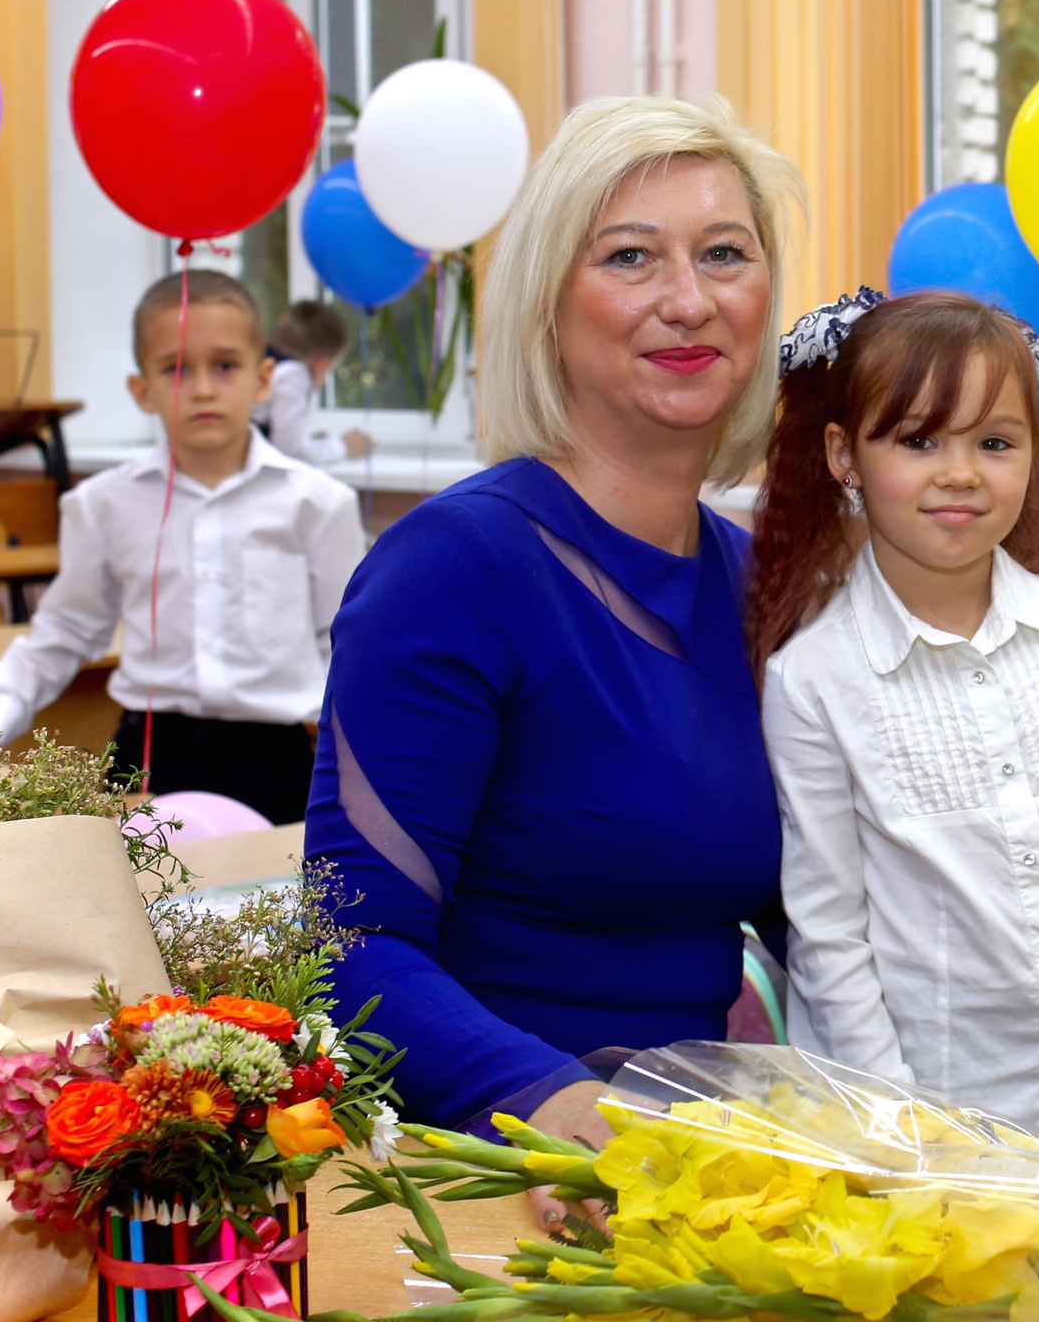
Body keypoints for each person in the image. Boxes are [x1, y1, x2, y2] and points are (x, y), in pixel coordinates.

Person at [299, 96, 797, 1149]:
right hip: (490, 1164)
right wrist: (554, 1104)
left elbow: (831, 916)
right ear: (546, 307)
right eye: (629, 257)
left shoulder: (765, 585)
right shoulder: (453, 567)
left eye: (723, 254)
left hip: (699, 1153)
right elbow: (351, 946)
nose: (688, 300)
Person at [747, 290, 1039, 1162]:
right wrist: (905, 1137)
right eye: (918, 440)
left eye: (995, 442)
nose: (960, 472)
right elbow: (831, 937)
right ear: (845, 455)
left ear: (1035, 454)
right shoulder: (813, 680)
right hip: (941, 1137)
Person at [0, 271, 364, 825]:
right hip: (149, 756)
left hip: (279, 761)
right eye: (175, 369)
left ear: (264, 379)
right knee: (137, 884)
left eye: (225, 365)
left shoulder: (319, 503)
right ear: (142, 390)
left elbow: (347, 647)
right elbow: (66, 629)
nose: (202, 389)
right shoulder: (104, 504)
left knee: (278, 884)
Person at [260, 299, 375, 466]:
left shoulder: (266, 361)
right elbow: (293, 453)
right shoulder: (293, 375)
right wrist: (344, 446)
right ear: (320, 365)